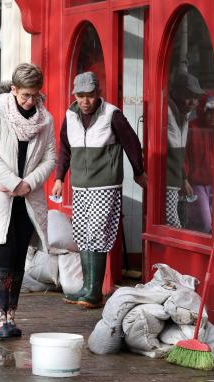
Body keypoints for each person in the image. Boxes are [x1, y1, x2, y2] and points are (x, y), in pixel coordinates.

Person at [52, 71, 147, 308]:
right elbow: (64, 148)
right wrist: (59, 178)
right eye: (80, 95)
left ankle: (94, 291)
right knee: (82, 234)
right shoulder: (70, 115)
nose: (85, 101)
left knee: (96, 233)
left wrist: (138, 172)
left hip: (105, 184)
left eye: (90, 96)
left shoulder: (112, 114)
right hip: (80, 186)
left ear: (98, 94)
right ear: (74, 94)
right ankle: (86, 287)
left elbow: (132, 143)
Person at [0, 63, 56, 339]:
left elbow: (50, 157)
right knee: (5, 255)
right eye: (25, 95)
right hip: (2, 197)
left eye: (35, 95)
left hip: (28, 199)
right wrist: (14, 182)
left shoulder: (45, 119)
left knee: (20, 257)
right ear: (13, 90)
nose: (30, 101)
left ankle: (12, 316)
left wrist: (29, 183)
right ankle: (0, 318)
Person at [165, 71, 204, 228]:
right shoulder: (166, 110)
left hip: (174, 179)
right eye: (188, 96)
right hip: (166, 179)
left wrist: (184, 178)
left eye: (196, 98)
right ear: (177, 93)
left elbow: (178, 153)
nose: (193, 102)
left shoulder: (184, 115)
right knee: (173, 222)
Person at [183, 95, 214, 233]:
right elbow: (184, 156)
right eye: (209, 112)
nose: (212, 116)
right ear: (203, 111)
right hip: (196, 184)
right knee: (205, 224)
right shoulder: (192, 127)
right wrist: (184, 180)